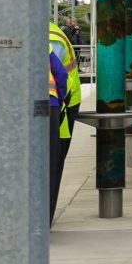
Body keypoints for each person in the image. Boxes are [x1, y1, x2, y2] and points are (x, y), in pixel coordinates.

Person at [47, 20, 81, 219]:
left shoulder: (53, 37)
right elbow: (59, 76)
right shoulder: (53, 34)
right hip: (58, 105)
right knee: (52, 164)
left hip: (59, 107)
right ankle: (44, 217)